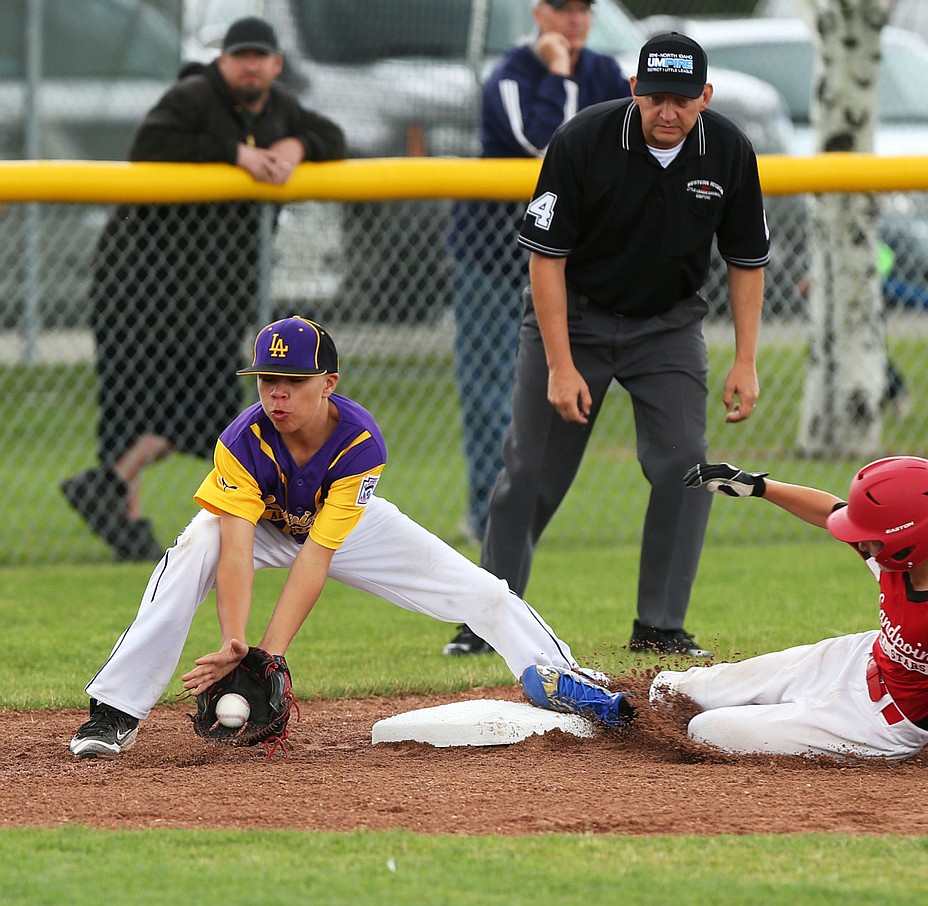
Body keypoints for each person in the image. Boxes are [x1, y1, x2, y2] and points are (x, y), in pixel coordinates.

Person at [69, 316, 626, 758]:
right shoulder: (241, 441)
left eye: (293, 382)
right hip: (261, 528)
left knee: (479, 590)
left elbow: (316, 558)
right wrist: (237, 641)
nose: (277, 395)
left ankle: (559, 675)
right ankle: (115, 709)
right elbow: (235, 551)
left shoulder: (359, 442)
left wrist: (272, 656)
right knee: (196, 547)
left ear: (329, 383)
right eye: (268, 381)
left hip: (340, 526)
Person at [472, 32, 770, 658]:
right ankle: (489, 621)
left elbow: (746, 261)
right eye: (655, 97)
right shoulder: (584, 139)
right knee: (529, 474)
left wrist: (745, 360)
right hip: (573, 321)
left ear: (706, 98)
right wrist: (559, 365)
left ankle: (660, 627)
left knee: (686, 465)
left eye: (682, 100)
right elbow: (545, 261)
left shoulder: (730, 151)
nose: (668, 112)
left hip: (667, 327)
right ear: (633, 90)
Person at [60, 16, 346, 562]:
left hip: (213, 297)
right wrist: (233, 154)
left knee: (209, 410)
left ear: (276, 64)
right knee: (127, 406)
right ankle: (128, 523)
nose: (250, 65)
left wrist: (296, 144)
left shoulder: (282, 107)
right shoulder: (193, 96)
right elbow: (150, 142)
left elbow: (334, 138)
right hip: (138, 286)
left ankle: (110, 484)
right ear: (223, 61)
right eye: (240, 55)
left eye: (260, 56)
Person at [609, 455, 928, 777]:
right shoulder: (896, 555)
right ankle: (602, 700)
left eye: (871, 537)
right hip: (855, 658)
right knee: (681, 688)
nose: (860, 543)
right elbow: (829, 512)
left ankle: (631, 720)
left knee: (707, 729)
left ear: (911, 539)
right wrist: (759, 486)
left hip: (877, 727)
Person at [443, 0, 629, 638]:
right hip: (493, 259)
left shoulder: (607, 70)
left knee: (538, 404)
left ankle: (509, 524)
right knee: (490, 392)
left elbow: (624, 144)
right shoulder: (513, 75)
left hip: (570, 263)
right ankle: (481, 515)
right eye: (563, 8)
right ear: (538, 11)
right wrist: (557, 75)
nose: (574, 20)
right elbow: (544, 143)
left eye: (583, 9)